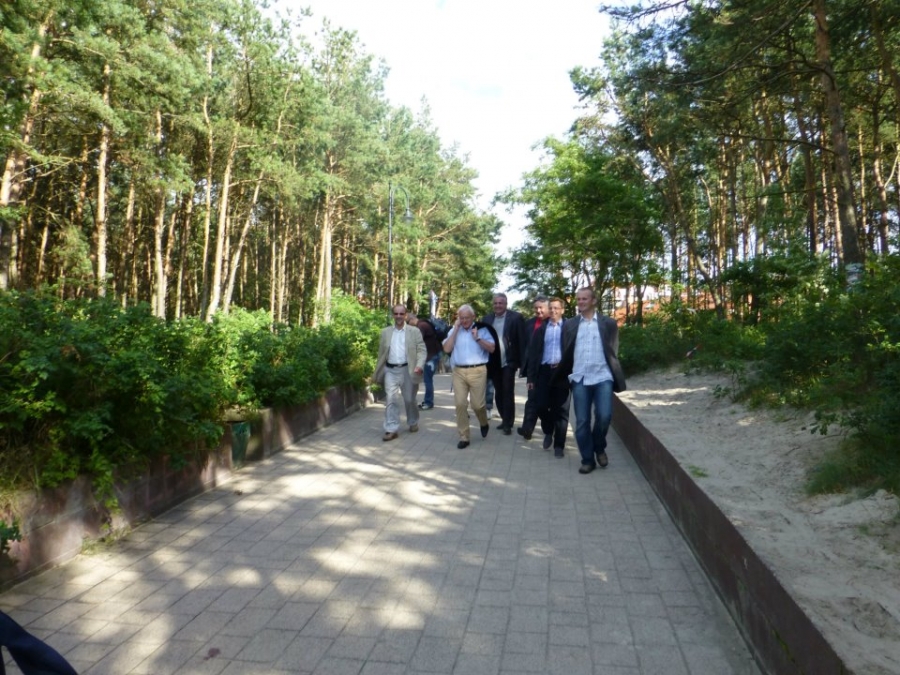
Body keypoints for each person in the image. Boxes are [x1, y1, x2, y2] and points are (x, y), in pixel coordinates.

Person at [560, 287, 627, 474]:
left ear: (594, 301)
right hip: (580, 377)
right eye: (579, 299)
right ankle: (588, 459)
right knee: (582, 421)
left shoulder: (609, 323)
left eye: (585, 298)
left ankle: (599, 445)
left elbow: (613, 350)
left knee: (604, 416)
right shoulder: (570, 324)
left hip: (602, 376)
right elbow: (566, 350)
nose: (581, 302)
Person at [442, 304, 496, 449]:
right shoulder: (454, 330)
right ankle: (464, 437)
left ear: (473, 317)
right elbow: (446, 348)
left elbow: (492, 348)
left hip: (478, 371)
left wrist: (478, 338)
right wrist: (455, 330)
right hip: (459, 371)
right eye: (461, 318)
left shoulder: (482, 329)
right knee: (460, 404)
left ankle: (483, 422)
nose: (464, 320)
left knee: (477, 405)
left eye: (467, 318)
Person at [372, 304, 426, 441]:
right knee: (391, 399)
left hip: (408, 370)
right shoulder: (385, 332)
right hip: (390, 370)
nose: (398, 316)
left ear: (406, 315)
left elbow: (421, 350)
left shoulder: (414, 331)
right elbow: (381, 353)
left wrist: (419, 365)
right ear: (392, 315)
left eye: (401, 314)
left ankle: (413, 421)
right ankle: (391, 428)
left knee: (409, 399)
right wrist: (378, 370)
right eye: (396, 314)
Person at [525, 296, 570, 457]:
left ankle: (559, 445)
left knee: (561, 410)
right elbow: (533, 354)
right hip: (544, 371)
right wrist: (530, 378)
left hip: (562, 372)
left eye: (556, 308)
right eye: (551, 308)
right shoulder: (541, 329)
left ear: (562, 310)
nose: (553, 311)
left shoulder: (569, 328)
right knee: (540, 405)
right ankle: (548, 430)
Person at [481, 293, 525, 435]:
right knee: (498, 393)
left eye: (501, 303)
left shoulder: (516, 318)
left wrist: (522, 363)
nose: (498, 305)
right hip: (493, 363)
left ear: (506, 304)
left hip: (509, 361)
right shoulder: (487, 319)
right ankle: (504, 418)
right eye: (495, 303)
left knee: (507, 392)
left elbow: (521, 340)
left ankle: (508, 423)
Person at [517, 295, 549, 440]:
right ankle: (527, 429)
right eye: (536, 308)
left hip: (549, 369)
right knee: (532, 398)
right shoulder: (529, 324)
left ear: (548, 307)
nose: (538, 310)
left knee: (544, 403)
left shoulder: (553, 323)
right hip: (533, 369)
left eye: (541, 307)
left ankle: (550, 428)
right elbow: (524, 346)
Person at [407, 312, 441, 410]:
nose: (408, 325)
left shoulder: (421, 326)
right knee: (428, 379)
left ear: (412, 319)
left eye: (408, 322)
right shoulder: (424, 323)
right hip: (433, 355)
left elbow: (417, 342)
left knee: (427, 380)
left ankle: (428, 402)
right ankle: (428, 401)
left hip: (430, 357)